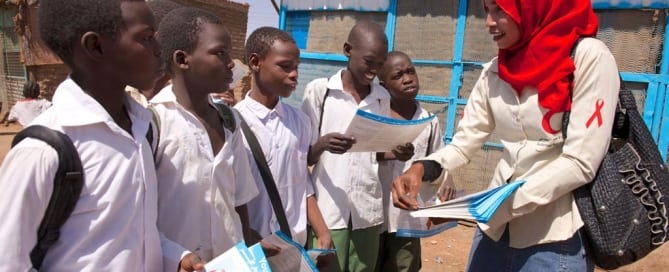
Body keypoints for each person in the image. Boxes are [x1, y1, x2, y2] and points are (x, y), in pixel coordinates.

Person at [392, 0, 620, 271]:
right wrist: (422, 167)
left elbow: (581, 161)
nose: (488, 21)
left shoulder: (588, 58)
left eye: (500, 9)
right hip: (494, 232)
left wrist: (496, 205)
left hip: (554, 236)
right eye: (486, 10)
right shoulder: (495, 70)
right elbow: (465, 143)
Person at [0, 0, 203, 271]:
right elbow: (8, 260)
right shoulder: (44, 150)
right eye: (147, 38)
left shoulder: (140, 131)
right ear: (95, 46)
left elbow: (130, 234)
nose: (159, 50)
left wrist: (175, 257)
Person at [301, 21, 413, 272]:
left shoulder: (381, 97)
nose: (374, 70)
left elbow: (374, 151)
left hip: (367, 210)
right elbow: (304, 157)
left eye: (380, 64)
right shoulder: (320, 92)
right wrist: (323, 144)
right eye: (369, 61)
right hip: (329, 210)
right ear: (348, 50)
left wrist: (395, 151)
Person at [151, 7, 260, 262]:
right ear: (182, 60)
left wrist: (247, 254)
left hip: (230, 262)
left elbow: (239, 199)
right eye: (219, 53)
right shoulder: (154, 122)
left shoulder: (229, 119)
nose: (231, 62)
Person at [234, 26, 333, 267]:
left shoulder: (300, 122)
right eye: (285, 66)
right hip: (251, 250)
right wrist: (247, 234)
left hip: (292, 245)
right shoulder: (233, 123)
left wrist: (323, 233)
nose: (294, 75)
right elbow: (230, 193)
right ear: (256, 62)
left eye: (296, 67)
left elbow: (303, 183)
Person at [375, 51, 445, 272]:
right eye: (398, 76)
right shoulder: (374, 117)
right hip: (370, 218)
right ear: (384, 85)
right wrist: (387, 153)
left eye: (410, 72)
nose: (407, 79)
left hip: (406, 220)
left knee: (404, 265)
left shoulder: (428, 122)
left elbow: (438, 163)